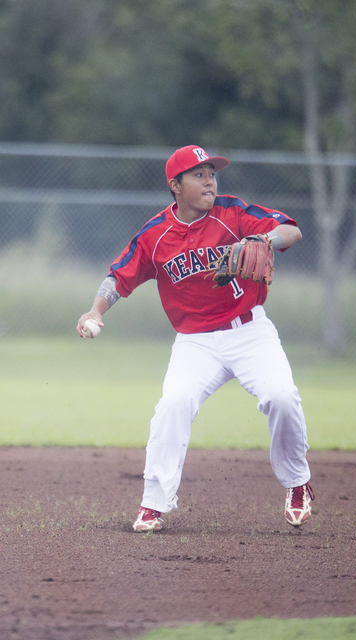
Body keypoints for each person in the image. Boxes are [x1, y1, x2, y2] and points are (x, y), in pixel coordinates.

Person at [76, 144, 314, 532]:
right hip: (195, 342)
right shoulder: (155, 235)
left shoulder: (232, 211)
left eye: (212, 173)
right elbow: (118, 276)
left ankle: (297, 482)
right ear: (175, 185)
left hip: (249, 331)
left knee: (282, 397)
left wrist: (264, 241)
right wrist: (95, 310)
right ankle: (153, 504)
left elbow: (292, 231)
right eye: (198, 175)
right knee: (173, 404)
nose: (209, 181)